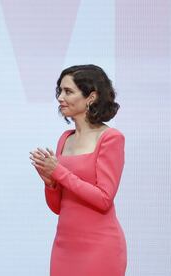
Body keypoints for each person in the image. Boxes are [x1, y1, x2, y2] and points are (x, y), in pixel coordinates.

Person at [30, 64, 127, 276]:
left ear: (91, 97)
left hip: (100, 247)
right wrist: (49, 182)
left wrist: (59, 173)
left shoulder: (111, 138)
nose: (60, 98)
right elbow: (58, 207)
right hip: (64, 246)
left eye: (68, 91)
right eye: (60, 91)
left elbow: (104, 199)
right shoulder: (65, 138)